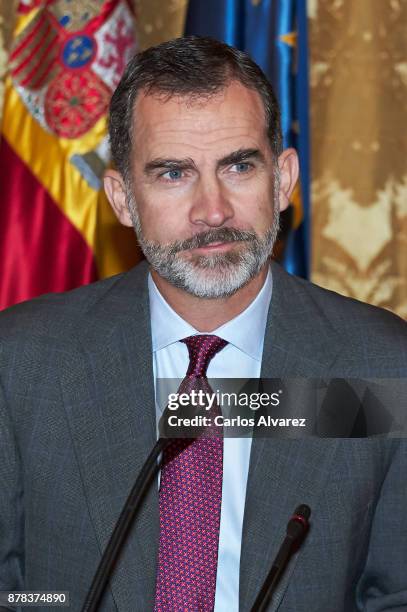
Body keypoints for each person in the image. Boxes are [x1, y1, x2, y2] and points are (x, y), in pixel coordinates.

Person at [0, 36, 406, 612]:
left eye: (239, 166)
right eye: (173, 174)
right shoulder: (21, 362)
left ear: (283, 179)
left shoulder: (381, 366)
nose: (212, 211)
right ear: (121, 198)